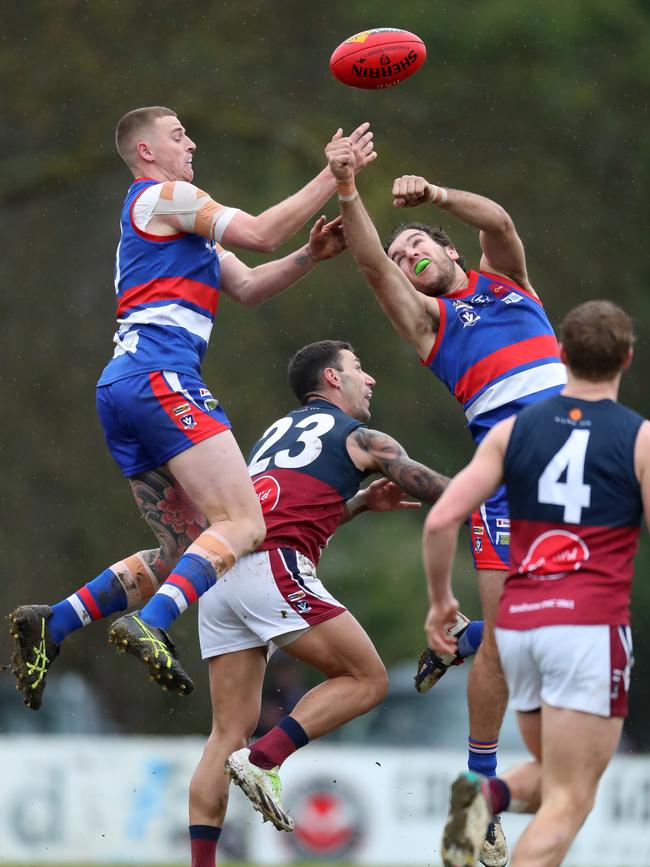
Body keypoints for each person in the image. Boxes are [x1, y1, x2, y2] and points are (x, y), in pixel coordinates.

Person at [8, 105, 377, 709]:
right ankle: (151, 624)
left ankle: (54, 622)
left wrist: (312, 256)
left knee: (192, 549)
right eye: (178, 135)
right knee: (245, 524)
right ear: (146, 151)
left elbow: (252, 285)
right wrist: (332, 178)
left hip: (123, 386)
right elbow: (260, 232)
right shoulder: (164, 196)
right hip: (162, 377)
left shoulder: (177, 218)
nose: (192, 143)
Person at [325, 132, 567, 865]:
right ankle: (481, 788)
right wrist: (347, 191)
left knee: (563, 620)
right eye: (401, 258)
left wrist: (435, 195)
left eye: (416, 250)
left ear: (452, 251)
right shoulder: (430, 324)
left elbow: (498, 221)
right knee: (503, 633)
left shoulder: (508, 280)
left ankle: (459, 645)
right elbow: (369, 264)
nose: (405, 262)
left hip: (581, 465)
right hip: (509, 473)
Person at [187, 340, 450, 866]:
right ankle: (265, 759)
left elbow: (290, 504)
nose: (369, 378)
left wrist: (356, 503)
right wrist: (494, 496)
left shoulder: (274, 433)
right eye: (359, 368)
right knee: (368, 679)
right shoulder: (363, 437)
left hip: (221, 571)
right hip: (273, 568)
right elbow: (426, 482)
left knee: (224, 734)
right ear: (332, 378)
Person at [422, 300, 648, 867]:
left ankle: (484, 795)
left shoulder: (513, 432)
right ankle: (481, 800)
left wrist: (440, 602)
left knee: (554, 781)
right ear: (627, 358)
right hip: (588, 627)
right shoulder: (639, 438)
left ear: (563, 356)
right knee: (572, 800)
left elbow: (442, 518)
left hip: (519, 628)